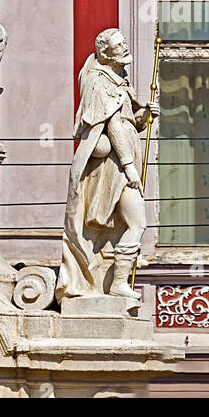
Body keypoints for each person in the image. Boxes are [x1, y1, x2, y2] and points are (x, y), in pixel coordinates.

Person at [56, 28, 159, 304]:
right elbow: (112, 125)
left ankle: (117, 283)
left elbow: (127, 121)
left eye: (125, 42)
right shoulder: (99, 81)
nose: (125, 47)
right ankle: (117, 284)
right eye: (119, 45)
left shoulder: (120, 79)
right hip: (114, 167)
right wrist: (129, 167)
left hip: (125, 160)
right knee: (137, 222)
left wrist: (145, 115)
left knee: (135, 223)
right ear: (105, 52)